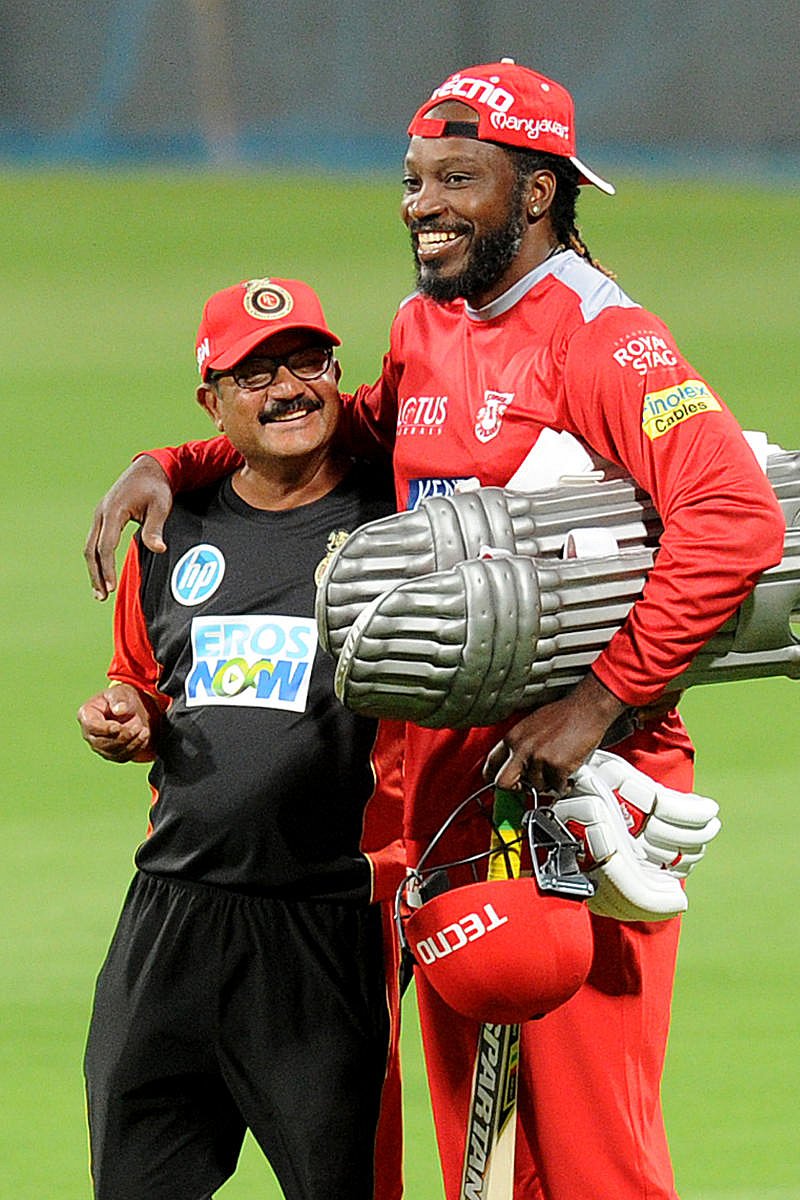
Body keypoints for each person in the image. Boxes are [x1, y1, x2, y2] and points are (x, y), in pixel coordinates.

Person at [83, 62, 787, 1200]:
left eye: (460, 177)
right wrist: (174, 459)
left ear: (539, 191)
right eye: (413, 179)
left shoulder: (603, 341)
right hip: (448, 808)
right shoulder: (427, 325)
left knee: (589, 1159)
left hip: (576, 807)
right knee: (481, 1160)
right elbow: (343, 431)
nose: (424, 203)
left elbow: (732, 517)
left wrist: (599, 699)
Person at [77, 277, 406, 1200]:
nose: (289, 389)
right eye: (254, 373)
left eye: (307, 362)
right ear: (212, 402)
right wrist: (123, 715)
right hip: (170, 915)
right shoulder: (172, 528)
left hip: (324, 919)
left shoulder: (397, 517)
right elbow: (140, 679)